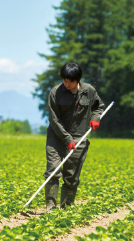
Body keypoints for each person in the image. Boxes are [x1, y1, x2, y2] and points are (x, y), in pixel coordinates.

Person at [43, 63, 105, 212]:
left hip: (79, 137)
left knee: (71, 176)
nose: (66, 84)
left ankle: (66, 208)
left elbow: (99, 107)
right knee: (53, 170)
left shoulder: (88, 91)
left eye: (70, 81)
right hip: (57, 136)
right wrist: (67, 139)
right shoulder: (55, 93)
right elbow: (54, 120)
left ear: (78, 80)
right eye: (64, 80)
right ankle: (50, 206)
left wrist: (96, 118)